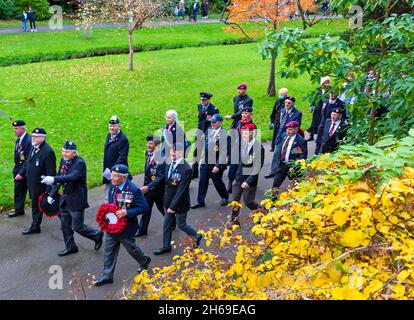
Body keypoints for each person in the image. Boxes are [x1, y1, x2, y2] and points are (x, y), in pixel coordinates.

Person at [41, 140, 104, 256]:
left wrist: (54, 179)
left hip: (76, 199)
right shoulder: (63, 161)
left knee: (78, 226)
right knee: (65, 225)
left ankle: (96, 235)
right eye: (63, 151)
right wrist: (51, 194)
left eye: (68, 152)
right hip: (65, 199)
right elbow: (60, 176)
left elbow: (72, 177)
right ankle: (71, 247)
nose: (64, 154)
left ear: (74, 153)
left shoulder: (80, 163)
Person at [95, 165, 151, 286]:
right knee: (108, 251)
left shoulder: (133, 190)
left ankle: (144, 260)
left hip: (126, 228)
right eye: (112, 175)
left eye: (115, 176)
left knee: (132, 249)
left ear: (123, 178)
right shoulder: (112, 186)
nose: (112, 178)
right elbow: (111, 203)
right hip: (111, 226)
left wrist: (127, 212)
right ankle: (107, 276)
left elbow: (144, 207)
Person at [154, 143, 202, 255]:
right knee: (167, 224)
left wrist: (172, 207)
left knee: (181, 224)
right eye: (171, 151)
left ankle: (196, 235)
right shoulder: (169, 162)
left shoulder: (186, 169)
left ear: (182, 152)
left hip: (179, 203)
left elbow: (181, 190)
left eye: (175, 151)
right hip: (168, 199)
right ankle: (166, 246)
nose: (172, 153)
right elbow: (166, 180)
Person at [229, 123, 265, 227]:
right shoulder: (242, 143)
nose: (243, 135)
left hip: (249, 180)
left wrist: (248, 181)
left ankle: (261, 214)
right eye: (242, 133)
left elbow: (257, 167)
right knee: (235, 201)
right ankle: (234, 221)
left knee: (249, 202)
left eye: (246, 133)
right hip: (238, 177)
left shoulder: (259, 148)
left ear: (253, 133)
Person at [22, 128, 56, 235]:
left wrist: (49, 190)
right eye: (32, 136)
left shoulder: (47, 151)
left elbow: (51, 172)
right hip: (33, 184)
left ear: (43, 138)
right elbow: (29, 162)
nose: (33, 138)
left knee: (44, 206)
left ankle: (35, 226)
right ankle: (36, 225)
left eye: (36, 136)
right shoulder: (34, 147)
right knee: (40, 206)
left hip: (41, 186)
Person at [191, 114, 228, 209]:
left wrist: (217, 165)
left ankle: (225, 197)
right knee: (202, 181)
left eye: (214, 122)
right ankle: (200, 201)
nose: (212, 123)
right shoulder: (209, 130)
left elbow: (224, 152)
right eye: (211, 121)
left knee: (217, 182)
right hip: (206, 162)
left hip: (216, 163)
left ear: (220, 123)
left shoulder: (224, 135)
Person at [136, 135, 166, 237]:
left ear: (157, 145)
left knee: (162, 208)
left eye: (151, 144)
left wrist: (148, 186)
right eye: (148, 143)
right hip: (148, 190)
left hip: (158, 190)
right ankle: (142, 230)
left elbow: (161, 176)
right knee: (146, 209)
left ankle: (171, 222)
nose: (148, 145)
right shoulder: (147, 153)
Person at [265, 96, 303, 179]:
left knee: (292, 154)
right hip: (280, 136)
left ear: (293, 104)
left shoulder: (297, 113)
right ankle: (273, 171)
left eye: (289, 103)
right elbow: (278, 124)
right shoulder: (282, 111)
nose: (287, 104)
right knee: (276, 154)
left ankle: (293, 172)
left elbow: (296, 126)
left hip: (290, 136)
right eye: (285, 102)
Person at [227, 105, 255, 194]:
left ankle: (244, 184)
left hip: (245, 150)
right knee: (233, 167)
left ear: (250, 114)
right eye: (242, 113)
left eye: (246, 113)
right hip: (236, 148)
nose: (243, 115)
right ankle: (230, 184)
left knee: (243, 168)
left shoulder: (252, 126)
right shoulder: (239, 122)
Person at [272, 121, 308, 189]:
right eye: (287, 129)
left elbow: (303, 156)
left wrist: (295, 167)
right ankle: (273, 198)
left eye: (290, 129)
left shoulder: (301, 141)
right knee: (275, 185)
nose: (288, 131)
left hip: (292, 168)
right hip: (282, 165)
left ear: (296, 129)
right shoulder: (284, 135)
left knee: (296, 186)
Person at [193, 92, 219, 179]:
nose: (202, 101)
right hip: (200, 131)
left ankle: (210, 171)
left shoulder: (214, 109)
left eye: (204, 100)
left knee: (209, 152)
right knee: (196, 152)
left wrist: (207, 134)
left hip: (208, 133)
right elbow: (200, 120)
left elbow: (213, 123)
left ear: (209, 100)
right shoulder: (199, 106)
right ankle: (194, 172)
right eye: (201, 99)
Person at [103, 115, 130, 200]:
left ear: (119, 126)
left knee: (121, 197)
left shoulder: (123, 139)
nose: (112, 128)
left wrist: (113, 171)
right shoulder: (109, 136)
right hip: (108, 171)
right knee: (108, 196)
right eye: (110, 126)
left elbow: (122, 157)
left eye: (114, 126)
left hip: (117, 172)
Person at [10, 120, 31, 218]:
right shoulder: (19, 139)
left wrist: (21, 173)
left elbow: (27, 160)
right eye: (14, 128)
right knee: (18, 190)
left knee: (34, 192)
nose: (14, 131)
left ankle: (46, 209)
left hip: (26, 171)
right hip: (19, 168)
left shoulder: (28, 140)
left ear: (23, 128)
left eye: (16, 128)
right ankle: (19, 210)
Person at [307, 76, 331, 142]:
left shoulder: (331, 90)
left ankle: (319, 137)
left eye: (328, 83)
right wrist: (312, 105)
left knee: (322, 122)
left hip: (325, 109)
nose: (327, 84)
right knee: (314, 121)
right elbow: (315, 98)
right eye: (326, 83)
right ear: (322, 84)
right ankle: (311, 136)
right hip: (318, 108)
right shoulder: (319, 90)